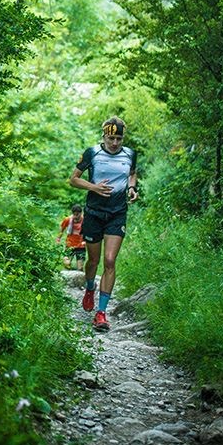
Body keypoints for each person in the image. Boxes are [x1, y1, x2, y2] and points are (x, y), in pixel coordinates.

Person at [68, 116, 138, 331]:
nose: (115, 143)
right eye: (111, 138)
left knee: (109, 261)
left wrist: (131, 189)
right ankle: (90, 288)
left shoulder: (130, 154)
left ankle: (101, 313)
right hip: (94, 213)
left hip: (117, 213)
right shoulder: (93, 153)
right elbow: (73, 179)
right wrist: (94, 187)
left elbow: (132, 174)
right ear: (104, 136)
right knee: (93, 261)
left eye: (118, 138)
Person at [56, 204, 85, 270]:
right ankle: (71, 272)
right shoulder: (68, 220)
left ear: (81, 213)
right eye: (74, 214)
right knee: (66, 264)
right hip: (70, 245)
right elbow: (61, 230)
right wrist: (58, 239)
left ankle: (77, 273)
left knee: (80, 268)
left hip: (81, 246)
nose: (75, 216)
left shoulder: (85, 221)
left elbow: (89, 232)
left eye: (77, 214)